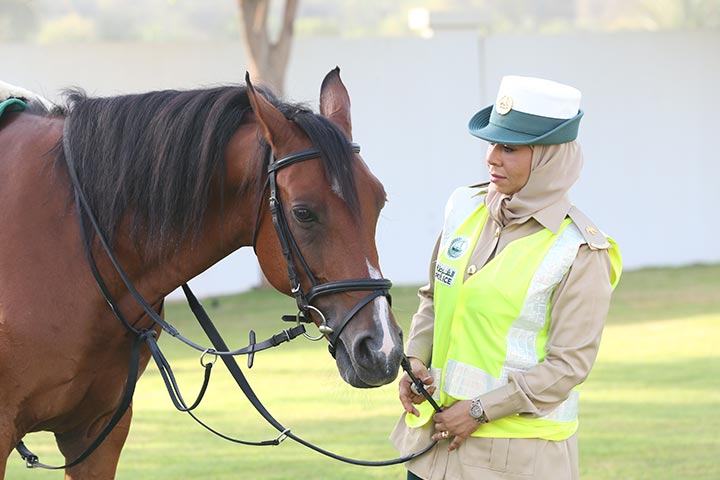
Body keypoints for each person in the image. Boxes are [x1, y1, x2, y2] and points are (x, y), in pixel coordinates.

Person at [391, 75, 622, 480]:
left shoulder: (581, 251)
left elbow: (568, 366)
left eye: (509, 148)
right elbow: (433, 298)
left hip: (515, 462)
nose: (491, 158)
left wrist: (479, 411)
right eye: (491, 144)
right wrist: (415, 360)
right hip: (434, 452)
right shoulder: (465, 208)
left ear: (549, 157)